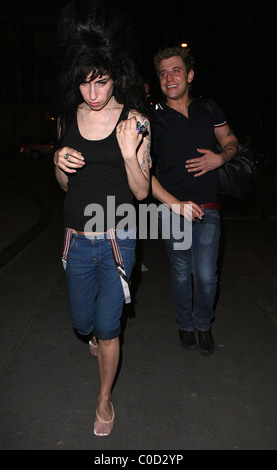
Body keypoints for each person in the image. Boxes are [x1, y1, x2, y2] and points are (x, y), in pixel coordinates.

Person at [53, 0, 151, 437]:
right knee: (82, 322)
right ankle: (92, 332)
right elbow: (63, 184)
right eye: (85, 84)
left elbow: (143, 191)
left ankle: (105, 397)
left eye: (102, 82)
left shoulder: (135, 122)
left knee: (109, 327)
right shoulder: (67, 118)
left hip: (117, 238)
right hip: (76, 238)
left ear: (116, 77)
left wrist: (131, 152)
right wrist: (58, 160)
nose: (93, 94)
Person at [151, 46, 238, 356]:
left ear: (189, 75)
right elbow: (142, 172)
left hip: (208, 206)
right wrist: (172, 204)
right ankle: (186, 324)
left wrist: (219, 158)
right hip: (172, 208)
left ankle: (204, 324)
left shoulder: (209, 108)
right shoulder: (154, 119)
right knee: (179, 272)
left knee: (205, 275)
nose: (169, 77)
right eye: (163, 73)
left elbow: (230, 141)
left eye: (175, 70)